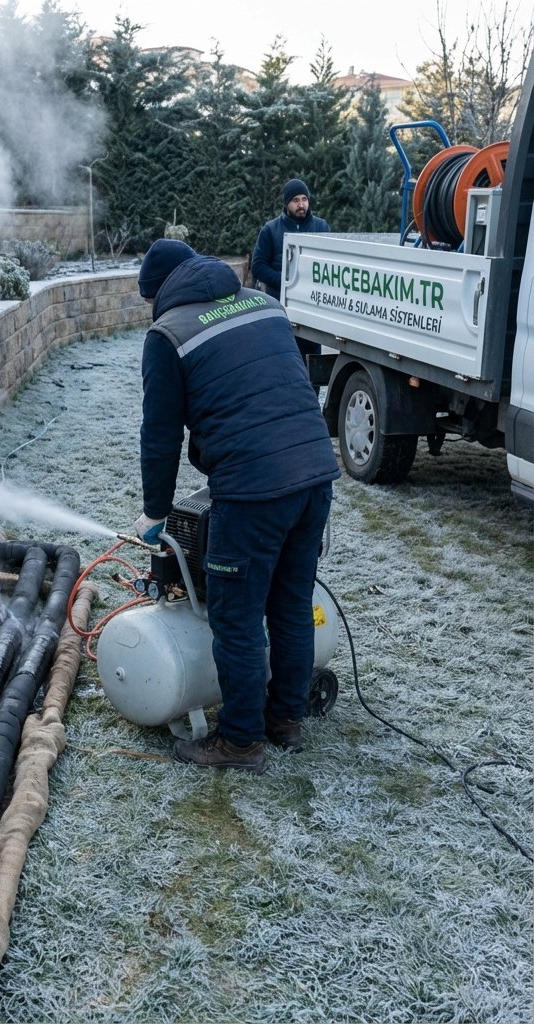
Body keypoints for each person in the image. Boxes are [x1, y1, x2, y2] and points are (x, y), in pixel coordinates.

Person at [133, 239, 340, 773]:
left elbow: (160, 437)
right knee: (291, 601)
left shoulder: (168, 335)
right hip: (315, 471)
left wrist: (156, 515)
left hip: (253, 491)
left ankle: (241, 742)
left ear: (159, 293)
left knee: (237, 616)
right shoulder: (264, 304)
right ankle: (285, 720)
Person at [251, 178, 331, 367]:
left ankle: (311, 397)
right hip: (280, 309)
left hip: (311, 309)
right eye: (296, 200)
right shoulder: (270, 230)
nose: (301, 205)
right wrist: (287, 283)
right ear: (286, 203)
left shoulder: (321, 228)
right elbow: (258, 266)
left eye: (304, 199)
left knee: (312, 365)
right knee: (283, 360)